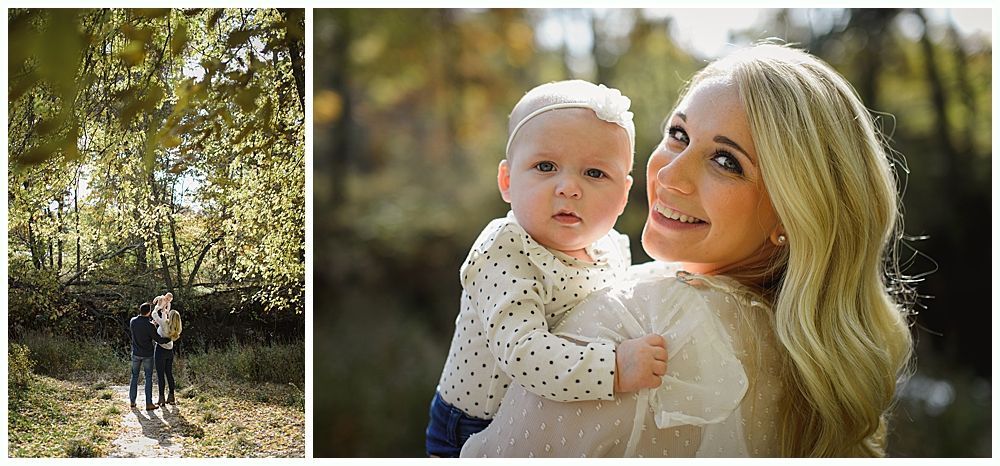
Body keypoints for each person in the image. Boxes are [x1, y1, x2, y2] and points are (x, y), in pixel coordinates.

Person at [462, 42, 914, 457]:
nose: (668, 174)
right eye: (678, 134)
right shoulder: (794, 350)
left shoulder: (649, 322)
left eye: (726, 161)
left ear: (791, 214)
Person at [427, 80, 670, 457]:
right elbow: (524, 352)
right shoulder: (505, 248)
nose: (569, 188)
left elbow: (626, 298)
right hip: (473, 427)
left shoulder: (610, 246)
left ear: (623, 196)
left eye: (594, 173)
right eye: (545, 166)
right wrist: (616, 367)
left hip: (548, 415)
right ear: (507, 181)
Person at [129, 301, 173, 411]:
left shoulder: (133, 321)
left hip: (136, 353)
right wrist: (170, 339)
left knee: (134, 376)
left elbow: (140, 331)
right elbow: (158, 339)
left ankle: (132, 401)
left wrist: (152, 325)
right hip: (147, 354)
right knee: (148, 378)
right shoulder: (150, 325)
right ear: (149, 312)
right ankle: (149, 403)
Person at [151, 293, 182, 406]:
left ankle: (161, 398)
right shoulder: (177, 328)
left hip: (160, 351)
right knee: (169, 373)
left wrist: (158, 307)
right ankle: (171, 396)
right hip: (170, 351)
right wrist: (165, 311)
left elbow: (154, 315)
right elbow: (166, 319)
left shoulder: (164, 324)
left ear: (170, 316)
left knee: (160, 375)